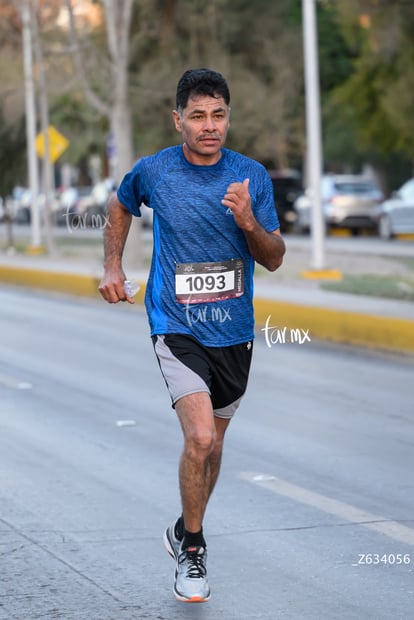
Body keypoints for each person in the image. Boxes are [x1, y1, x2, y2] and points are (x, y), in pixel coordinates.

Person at [99, 67, 285, 603]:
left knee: (215, 444)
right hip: (175, 324)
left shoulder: (250, 177)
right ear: (178, 119)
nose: (210, 126)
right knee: (200, 437)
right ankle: (195, 550)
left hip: (234, 330)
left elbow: (273, 259)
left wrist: (249, 221)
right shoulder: (155, 170)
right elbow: (120, 204)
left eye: (219, 115)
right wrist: (112, 266)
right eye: (198, 116)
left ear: (228, 117)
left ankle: (183, 526)